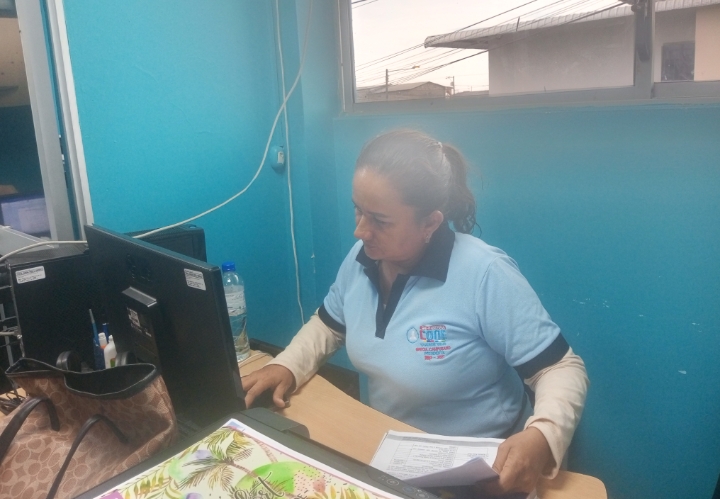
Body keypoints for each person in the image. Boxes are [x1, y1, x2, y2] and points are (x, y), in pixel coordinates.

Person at [242, 129, 588, 495]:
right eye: (358, 210)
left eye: (380, 220)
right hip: (389, 452)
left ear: (430, 223)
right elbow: (328, 326)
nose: (360, 231)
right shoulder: (362, 259)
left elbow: (560, 367)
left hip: (483, 473)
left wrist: (542, 435)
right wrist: (287, 365)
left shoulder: (484, 273)